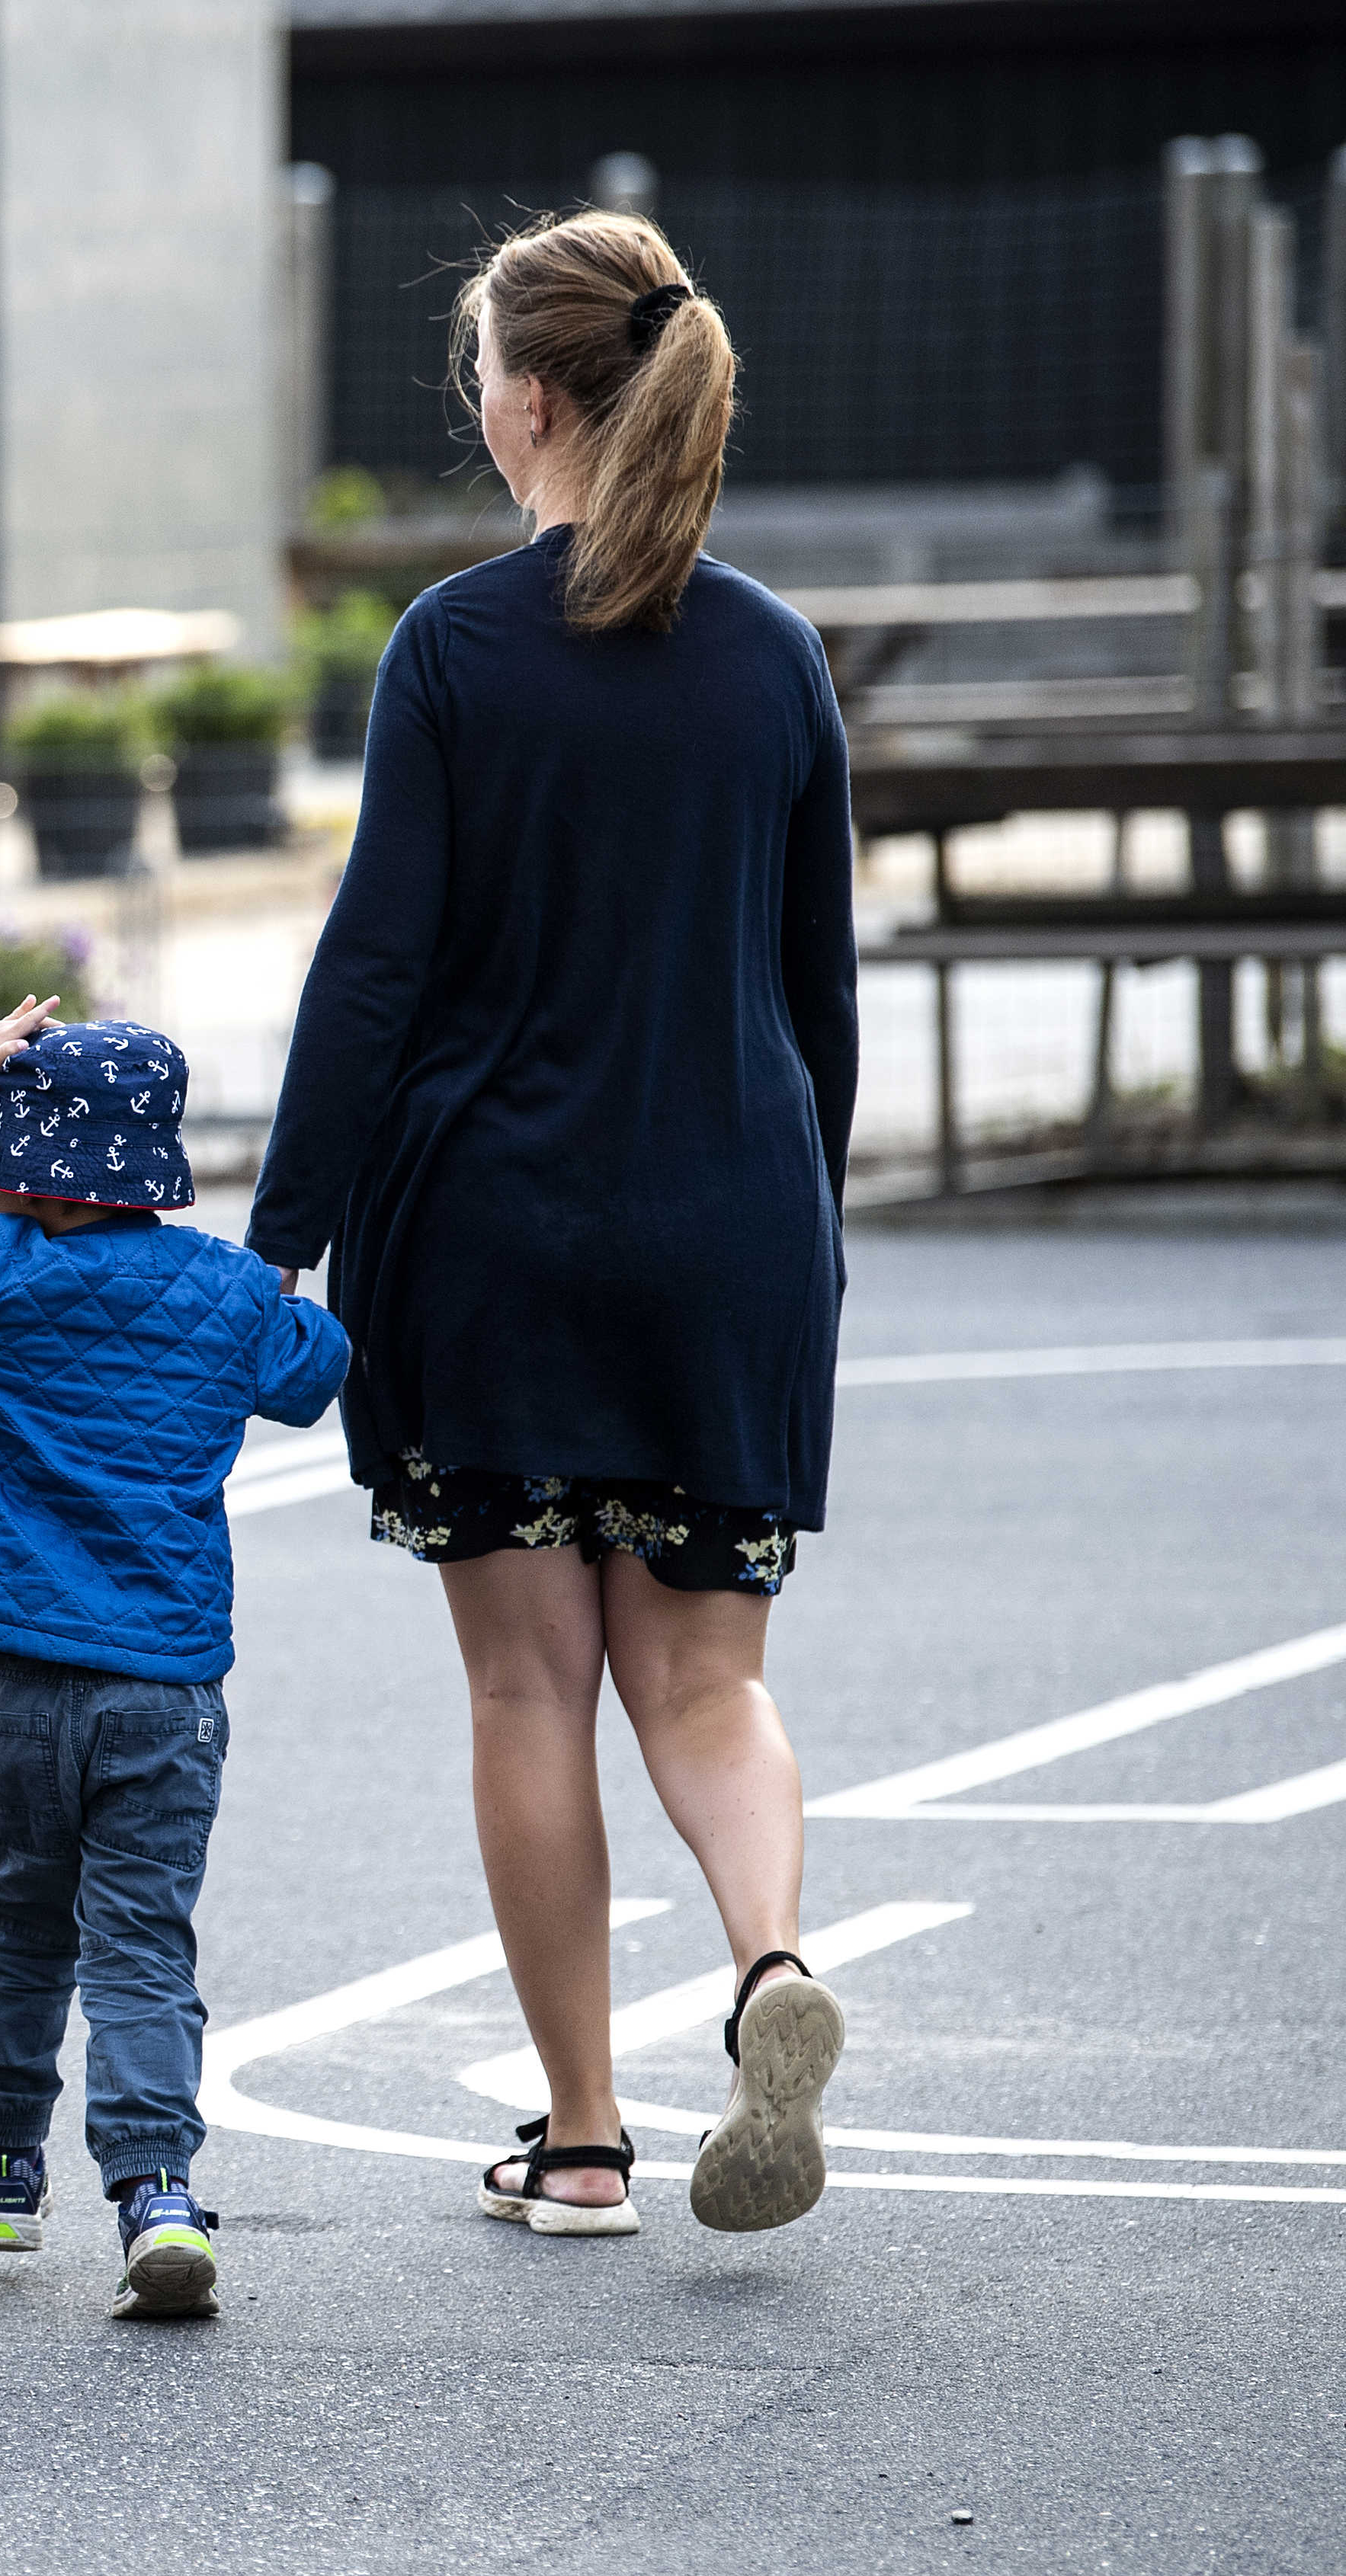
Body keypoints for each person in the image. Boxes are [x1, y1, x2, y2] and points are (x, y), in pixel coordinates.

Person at [242, 209, 860, 2240]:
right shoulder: (771, 659)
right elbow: (812, 997)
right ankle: (766, 1959)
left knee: (526, 1687)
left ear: (519, 399)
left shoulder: (449, 651)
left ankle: (579, 2136)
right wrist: (797, 1234)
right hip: (720, 1229)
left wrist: (278, 1242)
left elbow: (370, 977)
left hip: (489, 1232)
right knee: (701, 1678)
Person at [0, 1005, 349, 2322]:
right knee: (139, 1944)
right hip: (160, 1689)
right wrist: (269, 1285)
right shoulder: (222, 1292)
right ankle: (156, 2192)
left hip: (4, 1678)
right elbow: (312, 1375)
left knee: (13, 1918)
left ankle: (3, 2164)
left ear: (9, 1155)